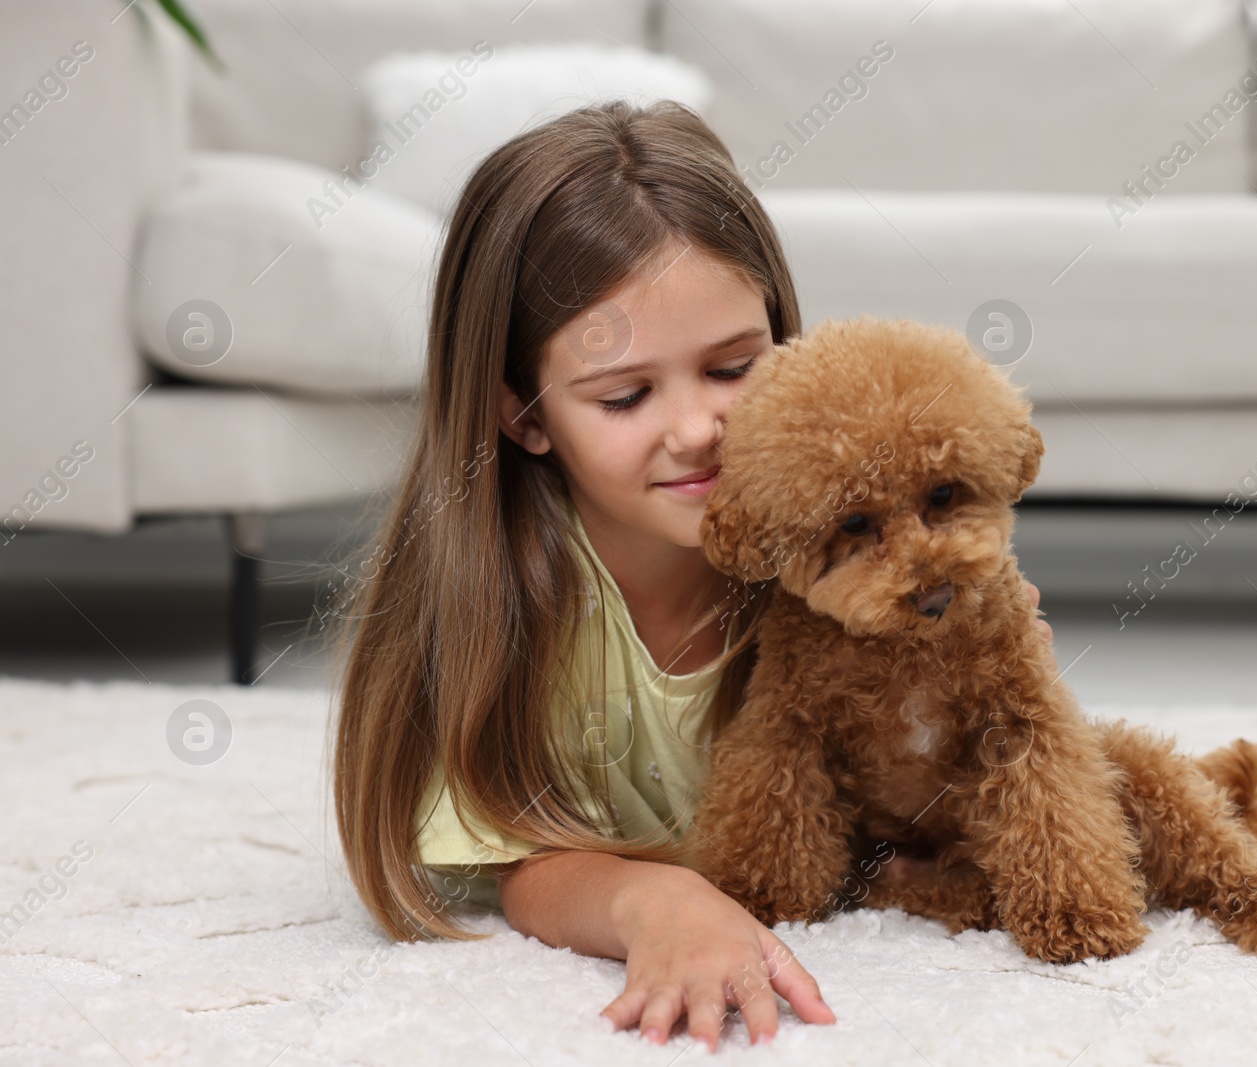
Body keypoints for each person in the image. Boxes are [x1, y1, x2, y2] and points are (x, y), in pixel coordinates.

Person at [332, 99, 1052, 1052]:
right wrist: (651, 897)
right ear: (525, 416)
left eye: (733, 368)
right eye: (627, 393)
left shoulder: (840, 551)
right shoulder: (497, 604)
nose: (698, 430)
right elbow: (514, 858)